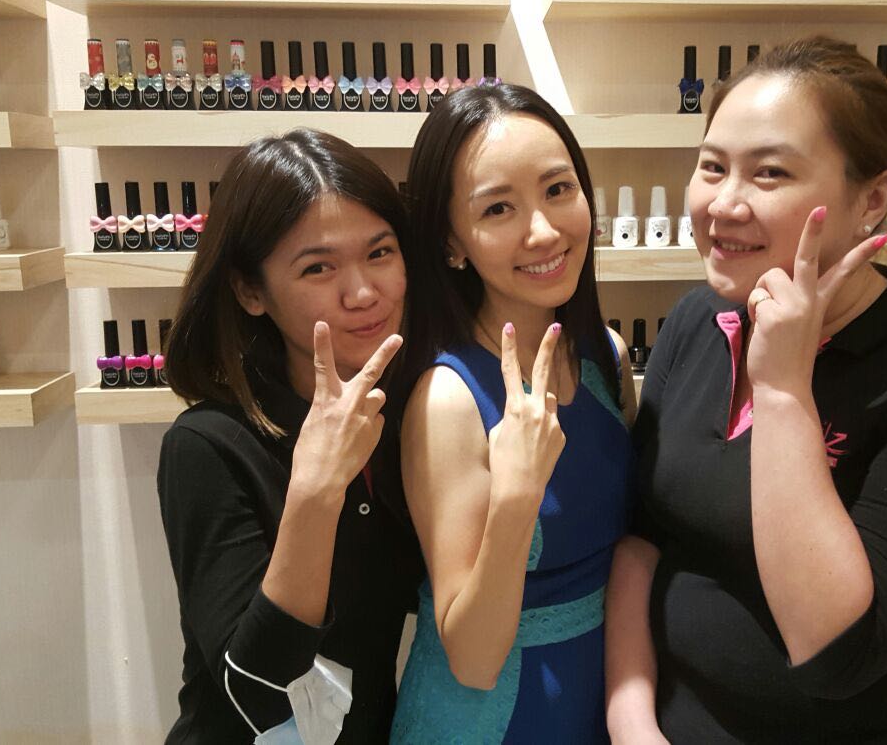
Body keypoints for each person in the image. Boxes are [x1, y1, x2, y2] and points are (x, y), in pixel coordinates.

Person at [605, 37, 887, 743]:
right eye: (712, 166)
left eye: (770, 173)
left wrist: (782, 389)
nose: (723, 203)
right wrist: (630, 723)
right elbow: (642, 539)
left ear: (874, 198)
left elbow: (836, 655)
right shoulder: (696, 321)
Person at [157, 128, 424, 743]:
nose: (364, 292)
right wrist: (316, 492)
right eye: (318, 267)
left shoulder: (403, 415)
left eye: (380, 252)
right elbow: (255, 694)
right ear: (251, 291)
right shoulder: (207, 446)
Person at [389, 84, 636, 743]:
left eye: (558, 189)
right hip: (488, 721)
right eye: (498, 207)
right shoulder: (449, 398)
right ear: (452, 242)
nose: (544, 230)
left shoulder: (606, 357)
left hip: (600, 702)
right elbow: (472, 659)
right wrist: (517, 496)